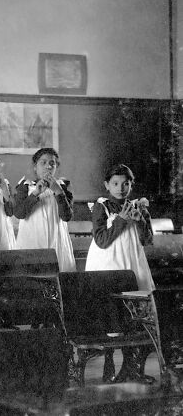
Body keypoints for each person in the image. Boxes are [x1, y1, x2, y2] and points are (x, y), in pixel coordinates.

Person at [85, 163, 155, 384]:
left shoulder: (137, 206)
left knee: (135, 314)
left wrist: (141, 220)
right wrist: (122, 221)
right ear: (107, 185)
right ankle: (109, 365)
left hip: (133, 261)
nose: (121, 188)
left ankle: (132, 367)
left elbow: (147, 240)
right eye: (115, 183)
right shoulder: (101, 206)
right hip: (109, 263)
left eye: (126, 184)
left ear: (131, 185)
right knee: (111, 314)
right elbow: (102, 240)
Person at [14, 148, 76, 272]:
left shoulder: (63, 187)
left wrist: (58, 192)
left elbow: (66, 217)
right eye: (43, 163)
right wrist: (36, 193)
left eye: (52, 163)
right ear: (35, 167)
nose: (48, 166)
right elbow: (19, 214)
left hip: (56, 240)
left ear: (56, 167)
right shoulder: (25, 186)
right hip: (32, 240)